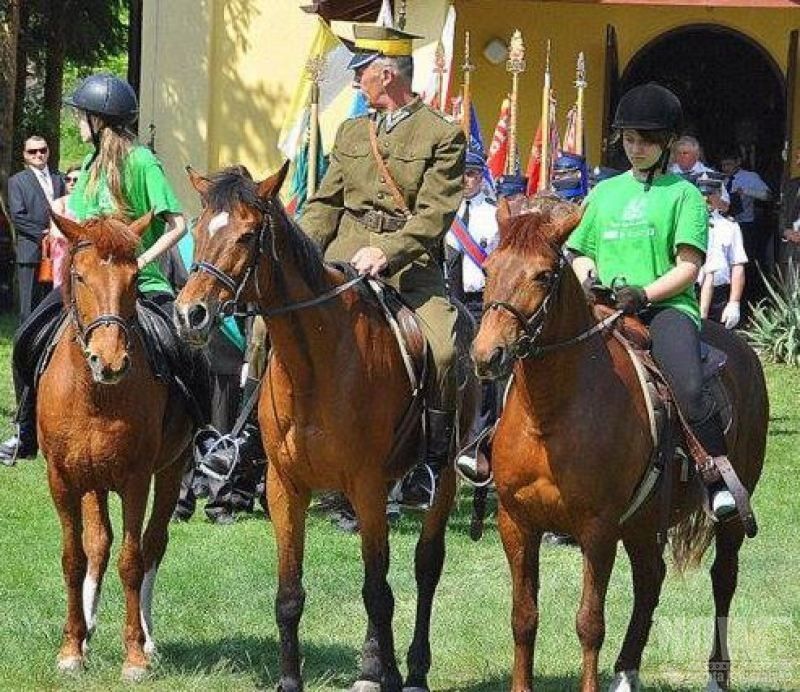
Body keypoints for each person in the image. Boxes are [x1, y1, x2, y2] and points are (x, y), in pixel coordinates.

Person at [299, 24, 466, 510]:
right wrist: (302, 253)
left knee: (445, 351)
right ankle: (248, 444)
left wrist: (387, 251)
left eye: (360, 73)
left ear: (386, 73)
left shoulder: (443, 134)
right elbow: (324, 204)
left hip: (409, 267)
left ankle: (430, 463)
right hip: (341, 256)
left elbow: (435, 215)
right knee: (273, 323)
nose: (354, 83)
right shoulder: (353, 131)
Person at [566, 82, 737, 520]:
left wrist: (643, 293)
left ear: (667, 144)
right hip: (600, 308)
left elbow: (688, 267)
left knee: (692, 387)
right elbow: (579, 250)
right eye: (628, 140)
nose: (635, 148)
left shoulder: (683, 196)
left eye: (645, 141)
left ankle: (716, 475)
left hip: (663, 308)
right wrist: (588, 279)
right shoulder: (604, 192)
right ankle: (490, 444)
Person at [0, 74, 191, 464]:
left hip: (140, 283)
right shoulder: (88, 164)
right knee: (27, 336)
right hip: (87, 286)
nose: (77, 123)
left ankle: (201, 436)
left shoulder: (142, 161)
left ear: (99, 120)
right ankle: (25, 429)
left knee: (184, 351)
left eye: (81, 116)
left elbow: (179, 225)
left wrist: (139, 262)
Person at [7, 135, 66, 321]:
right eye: (33, 151)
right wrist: (45, 235)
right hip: (31, 251)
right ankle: (26, 349)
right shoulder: (17, 181)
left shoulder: (61, 178)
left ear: (48, 152)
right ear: (25, 155)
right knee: (29, 307)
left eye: (43, 150)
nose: (38, 154)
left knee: (54, 303)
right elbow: (18, 216)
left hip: (59, 252)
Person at [696, 174, 747, 329]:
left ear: (720, 195)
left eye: (711, 193)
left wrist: (734, 302)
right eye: (702, 193)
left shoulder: (729, 226)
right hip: (690, 291)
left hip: (718, 295)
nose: (706, 198)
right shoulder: (685, 223)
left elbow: (737, 265)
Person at [719, 151, 771, 269]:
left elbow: (768, 196)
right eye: (723, 165)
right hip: (725, 224)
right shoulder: (721, 179)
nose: (726, 168)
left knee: (744, 260)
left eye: (729, 164)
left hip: (745, 225)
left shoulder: (750, 177)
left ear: (738, 162)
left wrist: (746, 191)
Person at [669, 135, 731, 212]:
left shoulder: (711, 175)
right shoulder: (667, 174)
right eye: (678, 153)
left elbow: (725, 208)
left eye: (685, 153)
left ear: (696, 155)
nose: (681, 157)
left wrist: (714, 199)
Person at [47, 165, 81, 289]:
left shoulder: (90, 204)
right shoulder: (58, 204)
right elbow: (56, 233)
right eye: (68, 179)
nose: (71, 183)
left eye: (76, 180)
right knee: (62, 291)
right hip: (62, 255)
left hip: (83, 254)